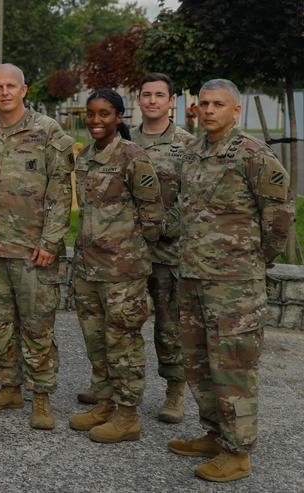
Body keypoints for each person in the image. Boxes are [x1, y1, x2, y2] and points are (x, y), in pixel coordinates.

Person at [169, 79, 293, 482]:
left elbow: (279, 217)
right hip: (192, 276)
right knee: (199, 362)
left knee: (233, 366)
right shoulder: (192, 152)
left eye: (217, 104)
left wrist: (255, 258)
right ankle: (215, 435)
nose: (208, 110)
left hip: (234, 283)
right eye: (203, 104)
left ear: (235, 111)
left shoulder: (253, 155)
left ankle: (238, 453)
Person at [0, 64, 74, 431]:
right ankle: (9, 387)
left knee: (37, 327)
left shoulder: (47, 131)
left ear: (24, 89)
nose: (4, 92)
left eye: (10, 86)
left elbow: (61, 192)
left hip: (34, 250)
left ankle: (41, 397)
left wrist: (50, 240)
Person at [67, 89, 162, 443]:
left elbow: (153, 215)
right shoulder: (86, 156)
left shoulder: (133, 157)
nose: (95, 120)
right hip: (89, 269)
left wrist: (133, 254)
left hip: (122, 272)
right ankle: (105, 403)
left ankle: (128, 416)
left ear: (119, 117)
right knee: (97, 343)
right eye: (90, 114)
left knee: (124, 344)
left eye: (104, 114)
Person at [121, 73, 197, 424]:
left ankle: (174, 391)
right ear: (138, 100)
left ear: (171, 102)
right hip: (129, 250)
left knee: (169, 326)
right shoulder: (125, 140)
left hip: (169, 251)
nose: (152, 100)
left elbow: (190, 196)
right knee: (121, 322)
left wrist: (161, 228)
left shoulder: (187, 144)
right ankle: (114, 386)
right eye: (146, 95)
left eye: (160, 95)